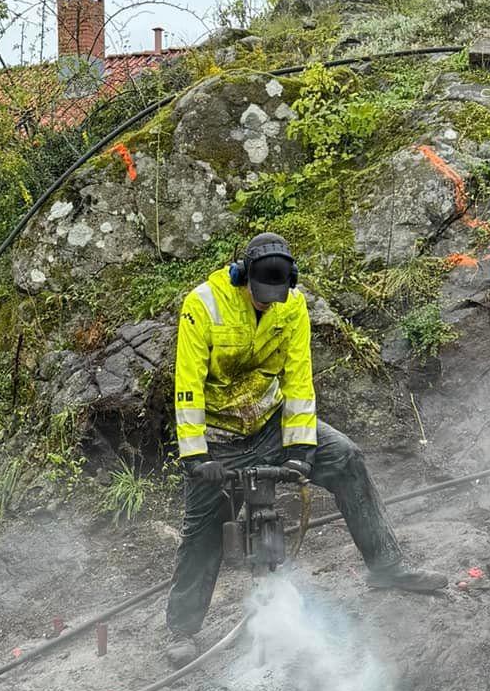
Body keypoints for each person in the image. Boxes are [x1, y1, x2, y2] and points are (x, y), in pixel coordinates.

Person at [165, 230, 441, 664]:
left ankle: (387, 567)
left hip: (270, 422)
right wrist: (197, 455)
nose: (267, 302)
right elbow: (187, 385)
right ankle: (181, 630)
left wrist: (300, 450)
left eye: (275, 295)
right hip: (218, 435)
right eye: (260, 295)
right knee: (203, 530)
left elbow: (298, 379)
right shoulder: (203, 304)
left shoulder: (291, 305)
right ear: (243, 276)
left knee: (346, 457)